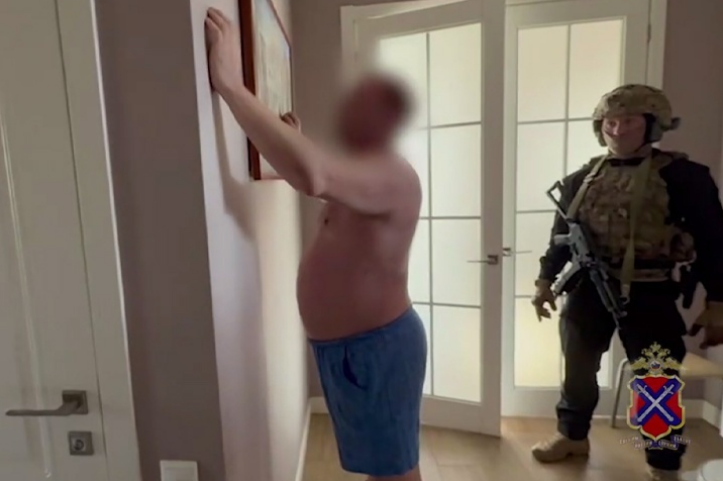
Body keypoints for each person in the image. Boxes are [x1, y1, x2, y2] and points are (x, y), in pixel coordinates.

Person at [205, 8, 426, 481]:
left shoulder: (393, 173)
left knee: (395, 474)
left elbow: (312, 174)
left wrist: (231, 85)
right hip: (353, 350)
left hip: (374, 350)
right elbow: (313, 175)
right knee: (381, 470)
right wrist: (294, 141)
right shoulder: (364, 175)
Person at [530, 84, 723, 481]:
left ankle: (663, 460)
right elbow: (561, 237)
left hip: (650, 289)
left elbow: (713, 241)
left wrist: (718, 301)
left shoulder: (684, 178)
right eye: (610, 123)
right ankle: (572, 435)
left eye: (629, 122)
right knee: (578, 368)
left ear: (652, 125)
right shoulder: (580, 180)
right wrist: (545, 280)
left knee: (656, 376)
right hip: (588, 286)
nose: (617, 131)